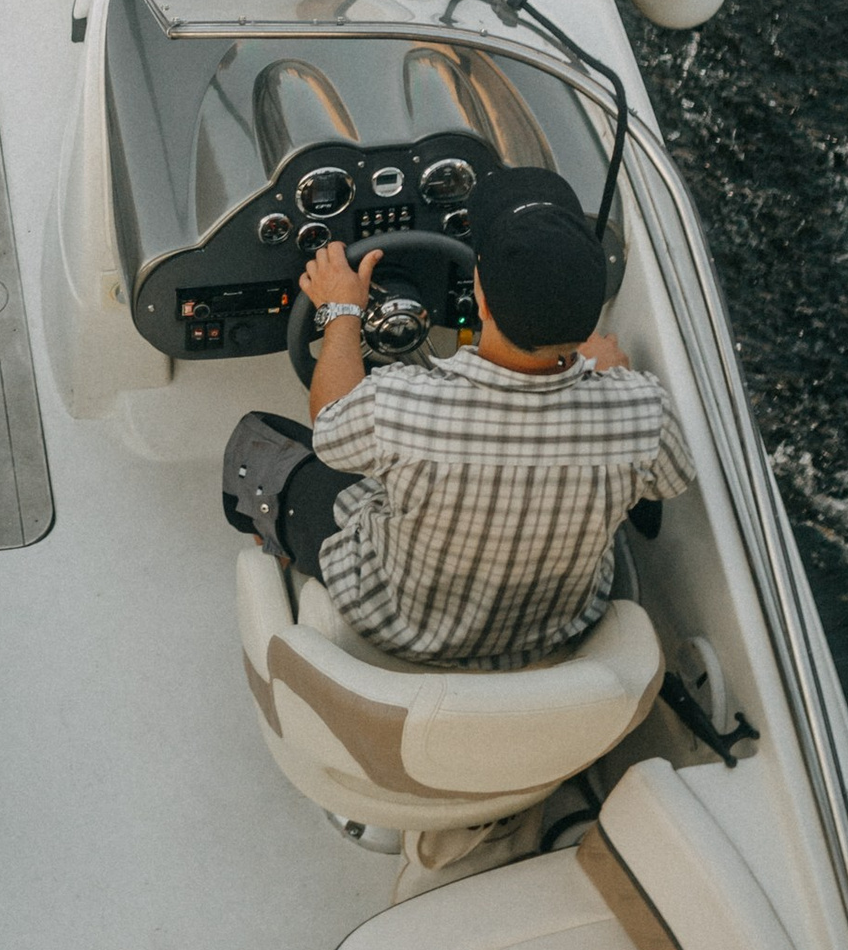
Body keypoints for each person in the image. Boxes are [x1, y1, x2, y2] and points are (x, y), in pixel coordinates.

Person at [222, 166, 693, 668]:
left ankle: (277, 542)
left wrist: (342, 312)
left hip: (398, 625)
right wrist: (609, 375)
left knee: (257, 440)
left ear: (481, 297)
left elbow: (332, 428)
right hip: (553, 630)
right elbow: (668, 482)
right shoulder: (644, 409)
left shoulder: (400, 405)